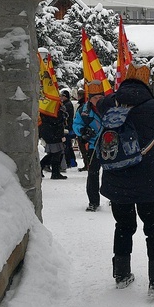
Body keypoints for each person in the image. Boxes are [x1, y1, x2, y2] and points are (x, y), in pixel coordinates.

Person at [97, 63, 154, 298]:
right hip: (148, 182)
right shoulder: (153, 106)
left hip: (116, 178)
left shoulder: (108, 103)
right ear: (147, 82)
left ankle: (121, 275)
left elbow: (98, 106)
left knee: (123, 226)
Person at [72, 81, 104, 211]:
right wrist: (83, 131)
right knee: (93, 174)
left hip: (110, 145)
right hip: (93, 146)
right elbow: (76, 125)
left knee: (112, 173)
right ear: (90, 99)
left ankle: (115, 198)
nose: (98, 100)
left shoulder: (110, 107)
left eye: (100, 97)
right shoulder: (83, 111)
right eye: (95, 98)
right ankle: (93, 201)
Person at [39, 102, 68, 180]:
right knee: (55, 153)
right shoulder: (52, 112)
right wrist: (63, 115)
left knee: (55, 153)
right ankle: (54, 172)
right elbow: (56, 120)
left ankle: (52, 171)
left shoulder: (47, 110)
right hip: (53, 134)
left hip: (51, 133)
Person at [75, 87, 91, 171]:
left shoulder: (83, 107)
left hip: (84, 131)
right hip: (82, 130)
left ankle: (87, 164)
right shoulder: (83, 106)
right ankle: (87, 164)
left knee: (85, 149)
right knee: (84, 149)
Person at [60, 89, 78, 168]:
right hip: (68, 127)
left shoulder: (67, 105)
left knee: (67, 146)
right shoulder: (67, 104)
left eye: (62, 96)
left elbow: (65, 116)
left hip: (67, 128)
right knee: (68, 146)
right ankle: (71, 161)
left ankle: (70, 161)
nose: (61, 97)